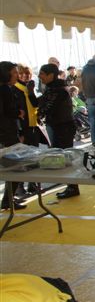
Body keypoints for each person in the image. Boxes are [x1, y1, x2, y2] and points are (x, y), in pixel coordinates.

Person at [38, 64, 80, 199]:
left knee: (65, 157)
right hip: (61, 126)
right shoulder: (55, 88)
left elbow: (47, 107)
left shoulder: (57, 90)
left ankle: (72, 187)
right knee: (63, 156)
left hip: (63, 127)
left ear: (51, 75)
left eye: (42, 74)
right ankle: (71, 186)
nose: (39, 76)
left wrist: (37, 112)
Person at [0, 61, 27, 210]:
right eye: (15, 72)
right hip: (7, 134)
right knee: (15, 166)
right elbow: (8, 111)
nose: (17, 75)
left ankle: (8, 199)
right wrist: (18, 113)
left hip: (6, 133)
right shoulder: (5, 89)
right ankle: (7, 199)